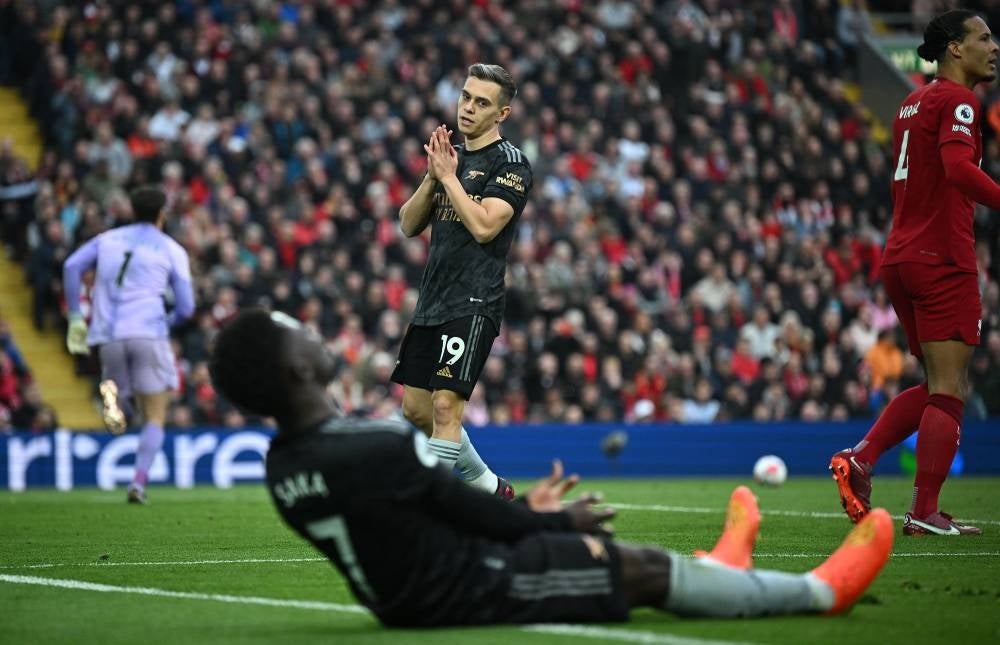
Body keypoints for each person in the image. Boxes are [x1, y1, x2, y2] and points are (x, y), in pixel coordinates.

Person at [209, 308, 894, 628]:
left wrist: (520, 517)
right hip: (467, 588)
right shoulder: (376, 445)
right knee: (638, 566)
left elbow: (406, 517)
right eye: (295, 326)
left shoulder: (283, 463)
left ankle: (723, 570)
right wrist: (547, 516)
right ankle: (817, 592)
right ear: (296, 366)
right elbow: (467, 509)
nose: (312, 328)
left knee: (611, 554)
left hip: (416, 585)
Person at [829, 10, 997, 536]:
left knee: (933, 384)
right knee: (949, 390)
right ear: (953, 48)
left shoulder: (910, 101)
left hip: (900, 257)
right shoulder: (960, 101)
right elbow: (956, 168)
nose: (994, 47)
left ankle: (862, 457)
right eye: (983, 38)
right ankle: (925, 511)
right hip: (941, 257)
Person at [391, 63, 534, 497]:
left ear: (502, 114)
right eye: (466, 97)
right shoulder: (450, 157)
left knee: (445, 405)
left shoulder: (512, 164)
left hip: (475, 302)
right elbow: (408, 224)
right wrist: (434, 177)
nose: (468, 108)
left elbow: (486, 226)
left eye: (482, 102)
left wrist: (449, 178)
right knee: (416, 410)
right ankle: (489, 487)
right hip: (432, 301)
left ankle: (430, 509)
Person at [63, 185, 194, 504]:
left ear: (132, 211)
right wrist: (168, 320)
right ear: (163, 213)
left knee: (120, 391)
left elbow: (71, 267)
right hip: (148, 333)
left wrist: (76, 317)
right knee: (156, 414)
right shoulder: (171, 249)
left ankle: (115, 398)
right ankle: (137, 482)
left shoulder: (107, 240)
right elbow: (187, 308)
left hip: (107, 335)